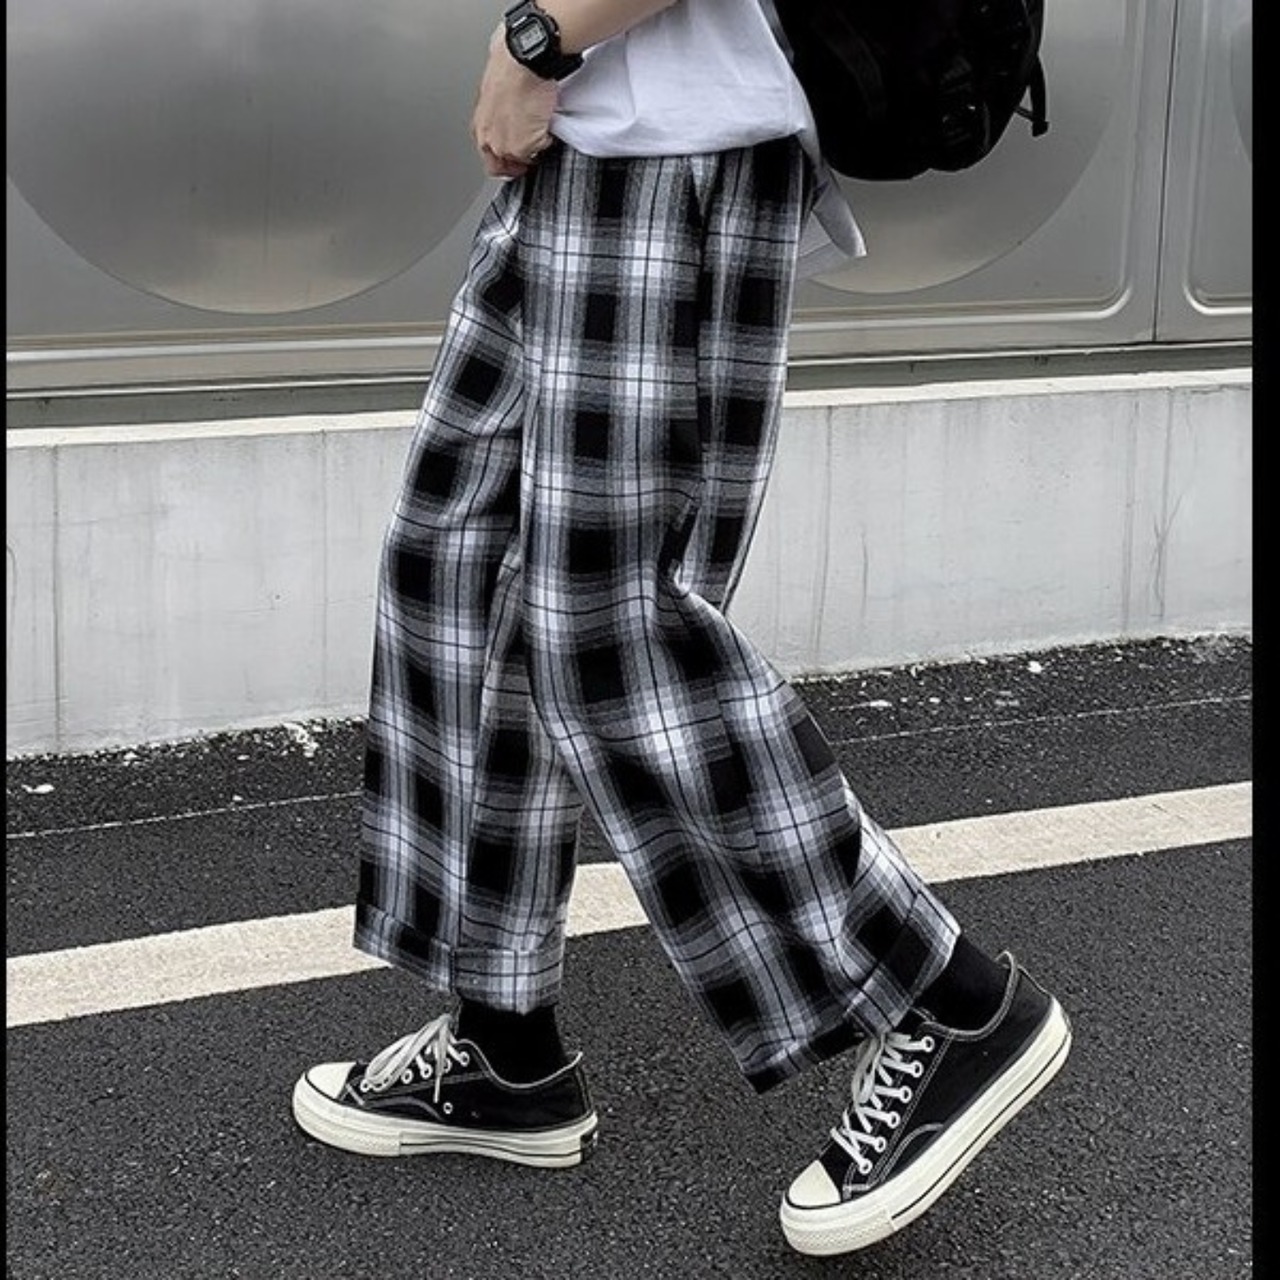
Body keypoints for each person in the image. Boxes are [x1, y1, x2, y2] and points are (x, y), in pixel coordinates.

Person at [290, 0, 1072, 1257]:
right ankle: (502, 1039)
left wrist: (539, 39)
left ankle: (949, 998)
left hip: (676, 150)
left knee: (607, 629)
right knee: (456, 567)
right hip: (594, 148)